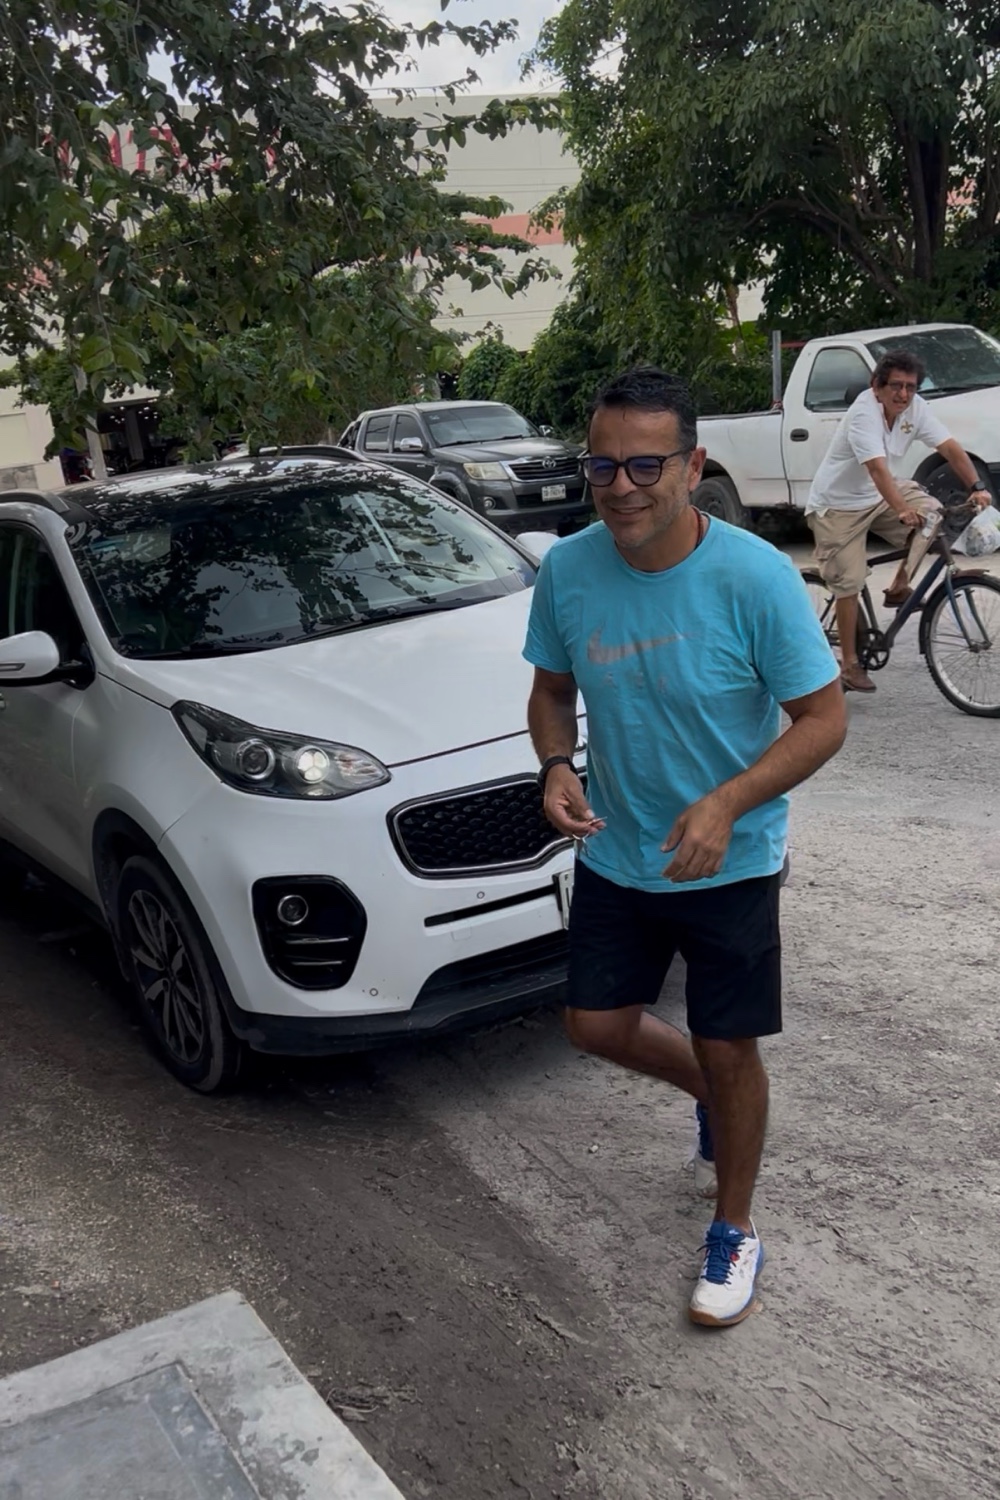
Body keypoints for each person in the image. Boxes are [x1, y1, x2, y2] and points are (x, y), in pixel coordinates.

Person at [524, 368, 846, 1328]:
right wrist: (555, 764)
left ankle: (734, 1227)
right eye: (603, 466)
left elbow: (824, 720)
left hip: (730, 859)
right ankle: (720, 1098)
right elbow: (551, 692)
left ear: (693, 466)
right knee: (595, 1025)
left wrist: (727, 803)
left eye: (646, 465)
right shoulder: (568, 570)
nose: (621, 486)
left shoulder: (755, 576)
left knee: (727, 1040)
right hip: (618, 851)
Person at [806, 351, 993, 693]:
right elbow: (877, 470)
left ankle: (898, 587)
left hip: (878, 495)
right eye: (895, 386)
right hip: (837, 506)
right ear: (876, 386)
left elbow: (950, 448)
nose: (903, 394)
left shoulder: (915, 409)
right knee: (849, 582)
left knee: (933, 515)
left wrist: (977, 486)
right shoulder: (863, 414)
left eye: (910, 387)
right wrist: (902, 509)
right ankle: (849, 665)